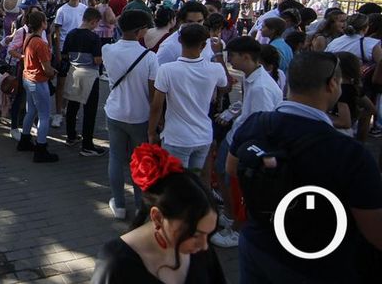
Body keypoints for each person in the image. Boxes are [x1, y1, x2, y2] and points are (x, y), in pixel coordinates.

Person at [227, 52, 382, 284]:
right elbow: (375, 231)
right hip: (316, 264)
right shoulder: (350, 153)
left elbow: (232, 168)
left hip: (257, 243)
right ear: (332, 84)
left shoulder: (256, 123)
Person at [92, 144, 224, 283]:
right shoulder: (116, 264)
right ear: (157, 217)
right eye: (195, 234)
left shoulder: (199, 247)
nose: (205, 246)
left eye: (208, 234)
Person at [211, 37, 282, 249]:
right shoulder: (251, 77)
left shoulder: (261, 87)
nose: (230, 60)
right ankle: (230, 214)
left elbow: (260, 124)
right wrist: (231, 114)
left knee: (238, 186)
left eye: (232, 56)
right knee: (223, 175)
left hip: (243, 143)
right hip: (237, 136)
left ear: (245, 57)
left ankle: (238, 228)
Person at [149, 23, 228, 170]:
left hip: (176, 137)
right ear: (204, 45)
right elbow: (225, 86)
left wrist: (151, 132)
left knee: (175, 180)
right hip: (203, 136)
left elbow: (156, 105)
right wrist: (218, 54)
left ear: (180, 41)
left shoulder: (166, 70)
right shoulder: (216, 69)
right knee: (193, 179)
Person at [103, 10, 157, 220]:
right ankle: (140, 206)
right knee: (139, 161)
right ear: (139, 30)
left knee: (116, 157)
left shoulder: (107, 50)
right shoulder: (150, 57)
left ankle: (118, 204)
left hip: (115, 112)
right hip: (140, 116)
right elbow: (153, 94)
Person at [61, 7, 107, 156]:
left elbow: (64, 55)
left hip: (73, 71)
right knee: (90, 110)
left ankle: (71, 136)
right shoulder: (94, 38)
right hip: (90, 75)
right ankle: (87, 145)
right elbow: (97, 60)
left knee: (72, 106)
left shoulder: (71, 34)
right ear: (93, 21)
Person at [16, 11, 60, 163]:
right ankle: (41, 149)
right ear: (42, 23)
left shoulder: (29, 38)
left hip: (28, 78)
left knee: (31, 111)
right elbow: (46, 69)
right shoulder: (41, 43)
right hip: (38, 81)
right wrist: (53, 72)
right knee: (44, 115)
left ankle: (24, 140)